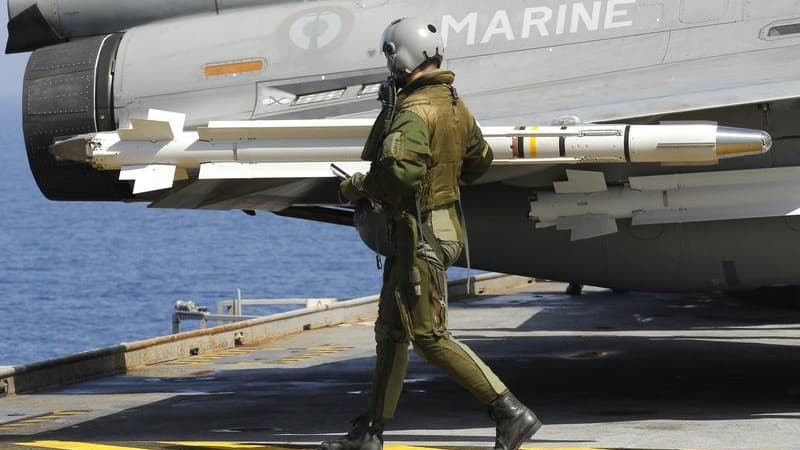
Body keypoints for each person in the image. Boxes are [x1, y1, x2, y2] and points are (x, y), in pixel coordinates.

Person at [321, 17, 540, 450]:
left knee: (428, 335)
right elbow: (479, 161)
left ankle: (510, 412)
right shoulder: (454, 104)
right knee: (391, 331)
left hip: (419, 236)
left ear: (401, 56)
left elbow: (398, 175)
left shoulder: (413, 112)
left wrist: (357, 187)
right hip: (434, 229)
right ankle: (370, 433)